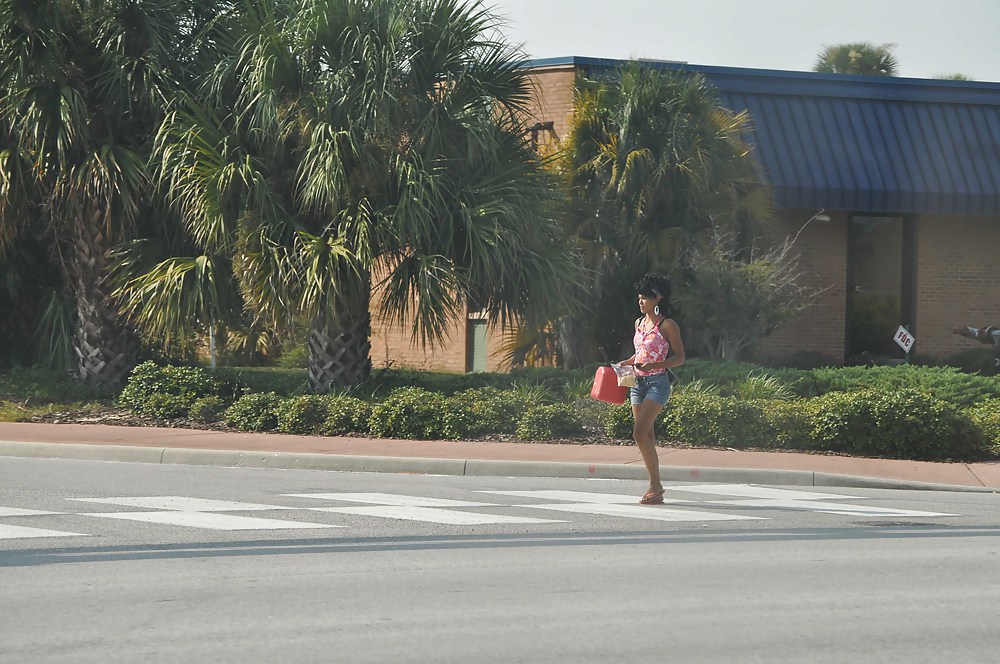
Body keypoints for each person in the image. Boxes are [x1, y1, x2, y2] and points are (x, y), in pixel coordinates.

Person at [614, 273, 685, 505]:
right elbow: (640, 352)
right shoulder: (639, 323)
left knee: (638, 432)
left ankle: (656, 485)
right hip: (637, 382)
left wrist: (655, 365)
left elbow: (680, 358)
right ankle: (655, 487)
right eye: (639, 298)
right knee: (647, 436)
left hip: (658, 383)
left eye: (645, 298)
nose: (641, 301)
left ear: (658, 299)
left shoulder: (667, 325)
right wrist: (627, 362)